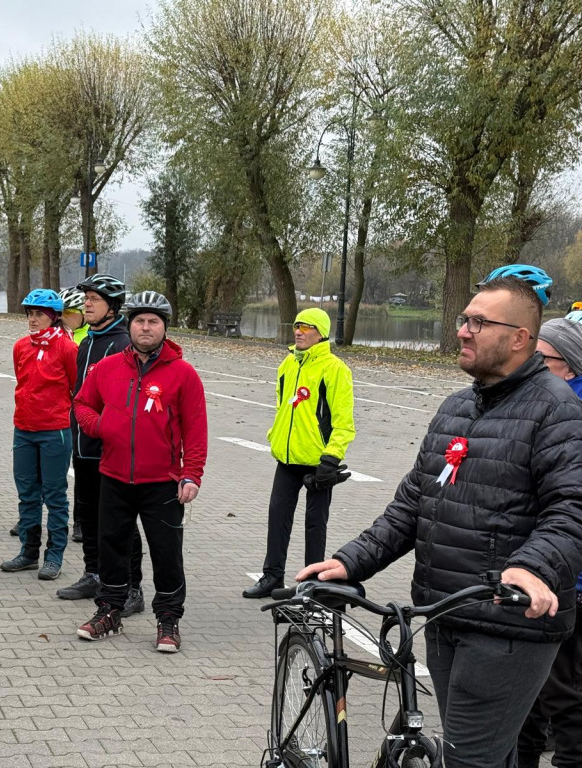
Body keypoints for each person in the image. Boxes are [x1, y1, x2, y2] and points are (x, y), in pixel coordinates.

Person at [298, 266, 582, 768]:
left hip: (507, 626)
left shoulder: (557, 411)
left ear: (520, 339)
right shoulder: (457, 406)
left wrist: (532, 567)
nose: (463, 330)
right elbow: (413, 503)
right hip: (444, 613)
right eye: (463, 319)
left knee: (471, 760)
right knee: (488, 755)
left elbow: (572, 508)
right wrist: (350, 562)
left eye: (478, 322)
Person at [74, 291, 208, 653]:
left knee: (166, 553)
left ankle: (168, 620)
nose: (145, 327)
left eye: (153, 321)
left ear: (164, 327)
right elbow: (82, 402)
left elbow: (196, 429)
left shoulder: (183, 374)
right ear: (129, 325)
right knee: (112, 549)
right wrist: (100, 426)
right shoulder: (108, 368)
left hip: (162, 483)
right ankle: (110, 612)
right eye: (139, 321)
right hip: (114, 477)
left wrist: (191, 474)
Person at [243, 307, 356, 598]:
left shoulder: (335, 369)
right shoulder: (287, 364)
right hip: (287, 458)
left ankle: (313, 581)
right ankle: (272, 577)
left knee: (315, 524)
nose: (299, 331)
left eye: (307, 327)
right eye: (297, 326)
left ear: (321, 333)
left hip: (319, 462)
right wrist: (275, 436)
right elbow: (283, 406)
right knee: (277, 517)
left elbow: (343, 422)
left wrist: (331, 457)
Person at [56, 274, 146, 621]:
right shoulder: (87, 342)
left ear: (113, 306)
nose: (86, 304)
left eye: (94, 299)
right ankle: (94, 575)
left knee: (119, 523)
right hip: (83, 446)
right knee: (89, 517)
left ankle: (132, 587)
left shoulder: (123, 343)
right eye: (86, 298)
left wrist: (105, 429)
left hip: (110, 451)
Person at [517, 315, 582, 768]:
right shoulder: (536, 404)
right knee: (527, 699)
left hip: (565, 582)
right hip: (533, 575)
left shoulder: (568, 417)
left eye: (542, 358)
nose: (532, 365)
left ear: (570, 369)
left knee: (563, 697)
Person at [0, 288, 78, 580]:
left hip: (54, 431)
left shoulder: (67, 348)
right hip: (24, 429)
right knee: (27, 493)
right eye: (30, 314)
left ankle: (54, 556)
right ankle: (28, 552)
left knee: (55, 495)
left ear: (53, 317)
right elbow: (22, 381)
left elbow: (75, 386)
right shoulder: (21, 346)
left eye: (39, 315)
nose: (33, 320)